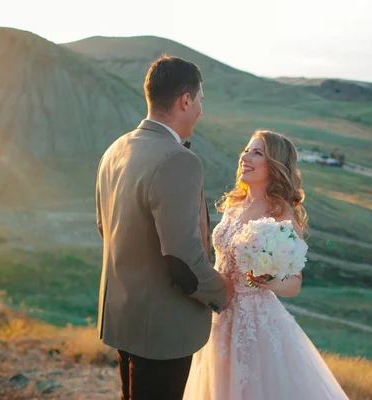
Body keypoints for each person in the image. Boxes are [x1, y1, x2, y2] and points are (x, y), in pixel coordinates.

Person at [95, 55, 234, 400]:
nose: (201, 110)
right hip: (162, 330)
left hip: (123, 316)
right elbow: (183, 260)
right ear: (185, 100)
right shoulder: (178, 160)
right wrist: (222, 292)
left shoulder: (116, 148)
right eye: (200, 100)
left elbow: (105, 227)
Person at [183, 130, 349, 400]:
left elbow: (295, 282)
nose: (245, 157)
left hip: (254, 324)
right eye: (246, 150)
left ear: (274, 165)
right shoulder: (234, 204)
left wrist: (272, 281)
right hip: (218, 317)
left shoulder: (280, 212)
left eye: (257, 152)